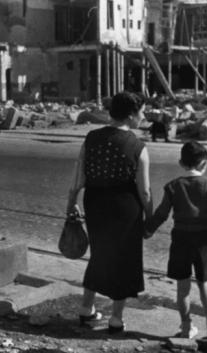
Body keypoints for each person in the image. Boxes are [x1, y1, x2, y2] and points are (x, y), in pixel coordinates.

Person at [66, 91, 153, 333]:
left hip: (95, 204)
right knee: (125, 261)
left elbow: (78, 177)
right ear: (131, 115)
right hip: (125, 209)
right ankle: (116, 318)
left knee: (99, 254)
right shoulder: (138, 146)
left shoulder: (91, 138)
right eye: (141, 112)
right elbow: (144, 191)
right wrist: (151, 218)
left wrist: (71, 203)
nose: (143, 116)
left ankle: (86, 308)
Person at [145, 141, 207, 339]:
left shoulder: (173, 186)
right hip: (205, 239)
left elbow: (161, 214)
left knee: (182, 286)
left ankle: (186, 327)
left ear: (180, 162)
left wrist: (148, 230)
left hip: (180, 239)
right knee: (205, 283)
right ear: (204, 163)